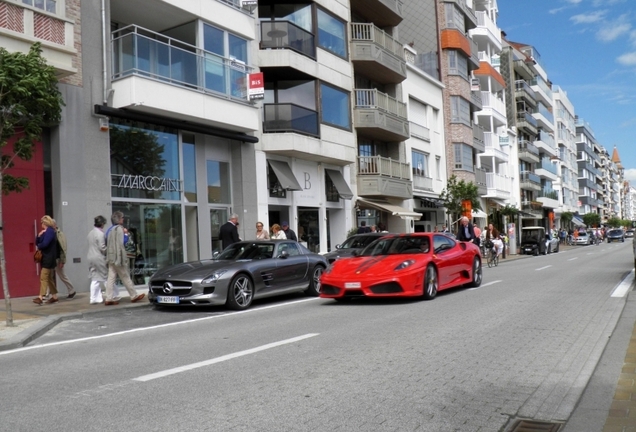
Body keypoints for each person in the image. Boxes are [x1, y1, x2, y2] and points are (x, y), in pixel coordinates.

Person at [105, 211, 146, 306]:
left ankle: (108, 298)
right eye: (122, 218)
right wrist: (126, 234)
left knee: (111, 278)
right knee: (125, 276)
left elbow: (106, 239)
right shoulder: (120, 229)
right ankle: (134, 295)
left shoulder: (109, 229)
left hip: (111, 256)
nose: (123, 219)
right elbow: (123, 241)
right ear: (119, 219)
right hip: (118, 257)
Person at [33, 215, 59, 305]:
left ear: (45, 223)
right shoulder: (46, 232)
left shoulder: (50, 232)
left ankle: (41, 296)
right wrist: (38, 236)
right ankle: (54, 296)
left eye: (42, 223)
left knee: (43, 277)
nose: (41, 225)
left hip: (48, 258)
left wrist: (39, 245)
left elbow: (44, 244)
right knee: (49, 278)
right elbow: (38, 242)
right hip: (46, 257)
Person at [52, 218, 76, 299]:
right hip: (52, 258)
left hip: (58, 259)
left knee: (62, 275)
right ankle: (47, 294)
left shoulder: (60, 234)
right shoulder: (51, 234)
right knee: (48, 276)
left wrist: (62, 261)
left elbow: (63, 248)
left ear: (54, 225)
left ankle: (71, 289)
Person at [87, 215, 108, 304]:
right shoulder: (100, 234)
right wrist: (109, 251)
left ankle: (94, 298)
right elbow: (102, 247)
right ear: (102, 224)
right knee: (106, 277)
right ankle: (113, 295)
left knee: (95, 278)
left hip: (90, 256)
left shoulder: (90, 233)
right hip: (98, 257)